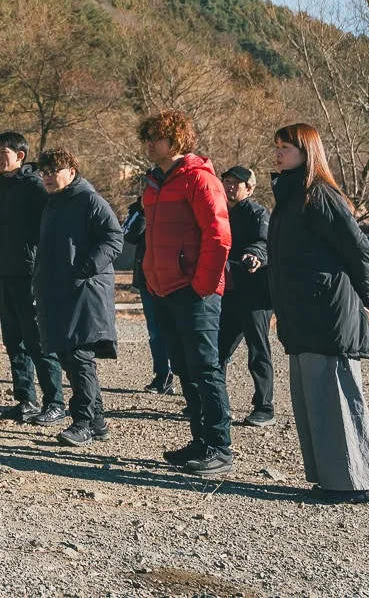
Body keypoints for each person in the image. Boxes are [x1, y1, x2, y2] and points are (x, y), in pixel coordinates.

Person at [268, 123, 369, 504]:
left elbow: (359, 249)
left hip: (328, 313)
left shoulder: (320, 196)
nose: (278, 153)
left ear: (307, 153)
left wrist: (366, 297)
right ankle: (334, 479)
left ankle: (358, 483)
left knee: (337, 396)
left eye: (286, 148)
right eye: (277, 147)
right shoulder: (289, 198)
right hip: (303, 315)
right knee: (313, 399)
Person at [137, 109, 234, 478]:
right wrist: (151, 278)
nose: (149, 144)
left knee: (205, 368)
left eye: (156, 137)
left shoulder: (200, 179)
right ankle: (200, 442)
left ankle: (220, 447)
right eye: (147, 137)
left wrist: (202, 286)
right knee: (184, 368)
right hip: (163, 289)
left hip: (194, 292)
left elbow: (218, 236)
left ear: (176, 139)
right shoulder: (153, 182)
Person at [32, 149, 123, 448]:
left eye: (53, 170)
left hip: (85, 291)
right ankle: (97, 422)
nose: (47, 176)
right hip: (58, 291)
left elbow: (114, 238)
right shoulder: (52, 203)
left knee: (80, 356)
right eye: (44, 171)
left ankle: (83, 423)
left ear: (71, 172)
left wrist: (84, 270)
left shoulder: (89, 200)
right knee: (69, 357)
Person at [0, 131, 62, 424]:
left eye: (3, 152)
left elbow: (50, 228)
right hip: (6, 272)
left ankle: (55, 402)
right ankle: (26, 399)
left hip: (32, 274)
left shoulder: (35, 187)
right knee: (13, 340)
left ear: (20, 155)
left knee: (37, 340)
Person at [217, 165, 276, 428]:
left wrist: (254, 256)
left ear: (249, 189)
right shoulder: (219, 212)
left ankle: (264, 407)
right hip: (227, 293)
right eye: (227, 181)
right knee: (217, 351)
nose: (229, 186)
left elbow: (263, 243)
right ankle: (215, 403)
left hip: (255, 295)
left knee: (258, 350)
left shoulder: (257, 213)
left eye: (236, 183)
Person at [122, 197, 175, 395]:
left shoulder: (178, 201)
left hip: (177, 277)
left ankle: (193, 379)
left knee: (183, 329)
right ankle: (163, 376)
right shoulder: (138, 209)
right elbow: (129, 236)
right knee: (156, 331)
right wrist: (144, 211)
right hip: (148, 279)